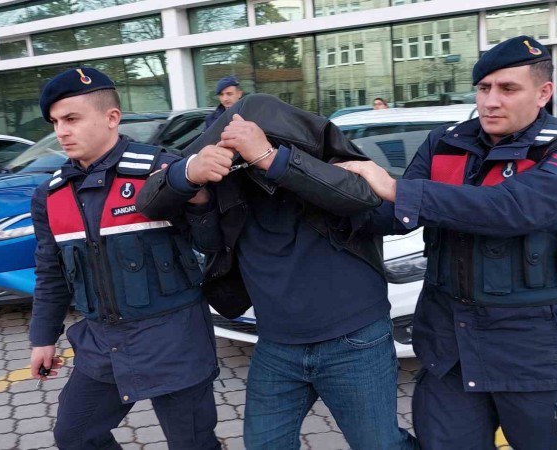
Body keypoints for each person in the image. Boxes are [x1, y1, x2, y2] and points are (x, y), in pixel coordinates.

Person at [338, 36, 557, 449]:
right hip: (451, 349)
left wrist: (394, 187)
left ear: (543, 93)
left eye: (508, 88)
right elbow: (391, 216)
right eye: (484, 88)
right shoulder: (444, 142)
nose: (490, 101)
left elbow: (513, 209)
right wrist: (307, 179)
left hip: (538, 356)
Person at [136, 93, 418, 450]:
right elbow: (207, 242)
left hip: (353, 340)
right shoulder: (231, 184)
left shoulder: (326, 167)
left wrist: (271, 158)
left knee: (379, 444)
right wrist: (196, 195)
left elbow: (367, 201)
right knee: (264, 443)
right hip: (277, 345)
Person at [28, 67, 221, 450]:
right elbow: (51, 272)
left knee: (193, 444)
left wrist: (200, 201)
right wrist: (43, 338)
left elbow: (213, 243)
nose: (61, 131)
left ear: (111, 117)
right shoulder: (50, 196)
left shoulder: (160, 170)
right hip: (102, 345)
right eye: (55, 122)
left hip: (175, 342)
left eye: (72, 119)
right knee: (75, 435)